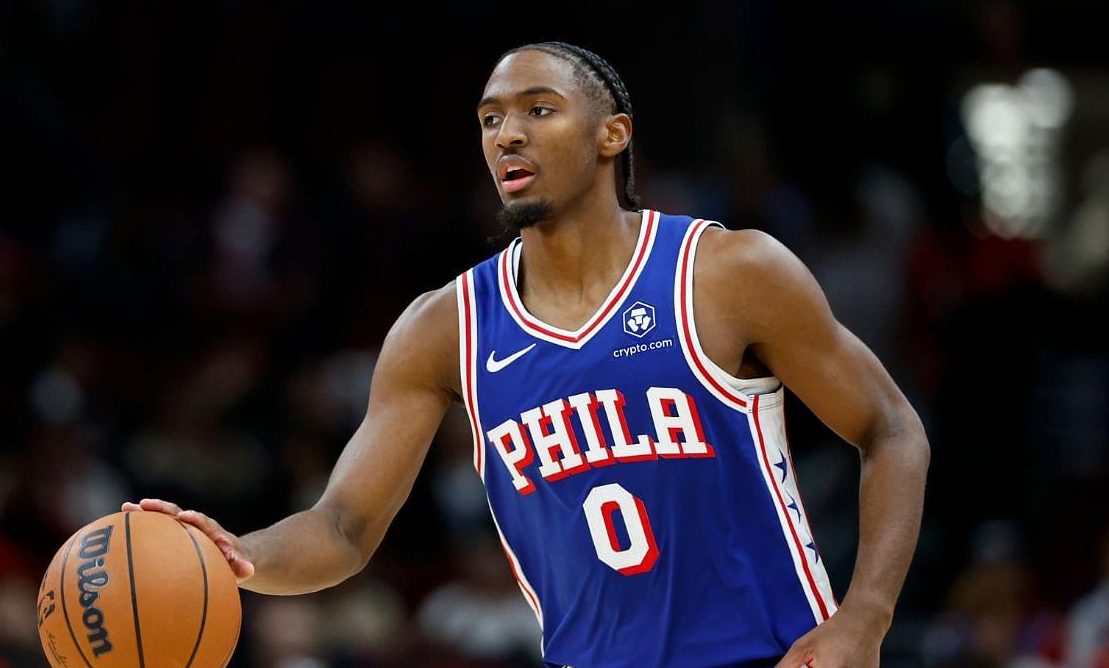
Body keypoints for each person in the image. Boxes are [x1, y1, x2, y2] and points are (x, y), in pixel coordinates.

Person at [124, 41, 930, 668]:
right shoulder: (444, 327)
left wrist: (864, 615)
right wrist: (230, 555)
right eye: (490, 118)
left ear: (614, 134)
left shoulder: (726, 273)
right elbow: (341, 527)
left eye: (539, 109)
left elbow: (892, 429)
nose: (508, 131)